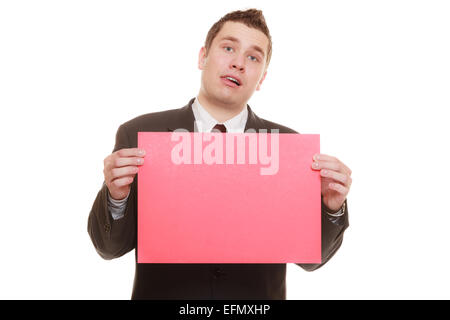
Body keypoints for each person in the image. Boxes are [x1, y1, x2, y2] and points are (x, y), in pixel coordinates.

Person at [88, 8, 352, 300]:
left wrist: (331, 207)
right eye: (228, 48)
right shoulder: (139, 135)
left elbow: (311, 260)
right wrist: (116, 196)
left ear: (261, 78)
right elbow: (109, 248)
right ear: (203, 57)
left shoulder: (287, 148)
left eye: (253, 57)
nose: (239, 63)